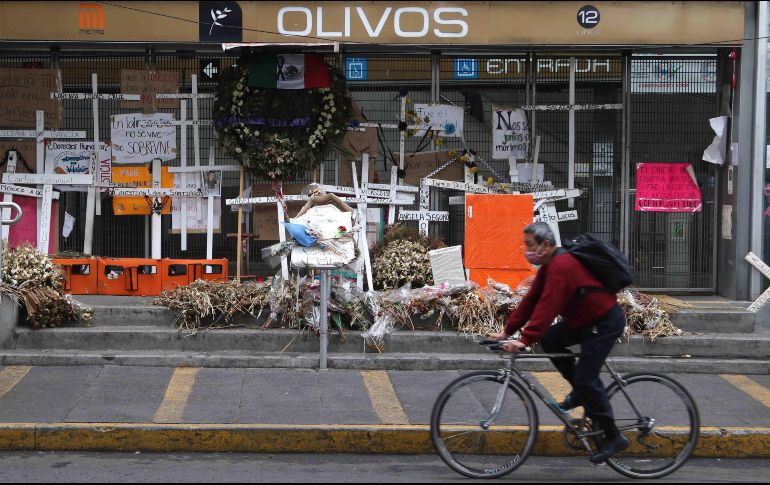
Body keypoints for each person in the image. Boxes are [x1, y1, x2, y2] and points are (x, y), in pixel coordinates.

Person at [488, 222, 628, 463]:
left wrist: (523, 340)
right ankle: (583, 393)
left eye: (530, 245)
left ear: (547, 244)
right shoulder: (548, 266)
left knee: (587, 377)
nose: (527, 250)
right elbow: (531, 301)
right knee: (551, 339)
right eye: (526, 245)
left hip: (603, 322)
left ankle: (614, 436)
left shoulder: (562, 266)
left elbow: (547, 307)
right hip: (585, 321)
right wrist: (506, 331)